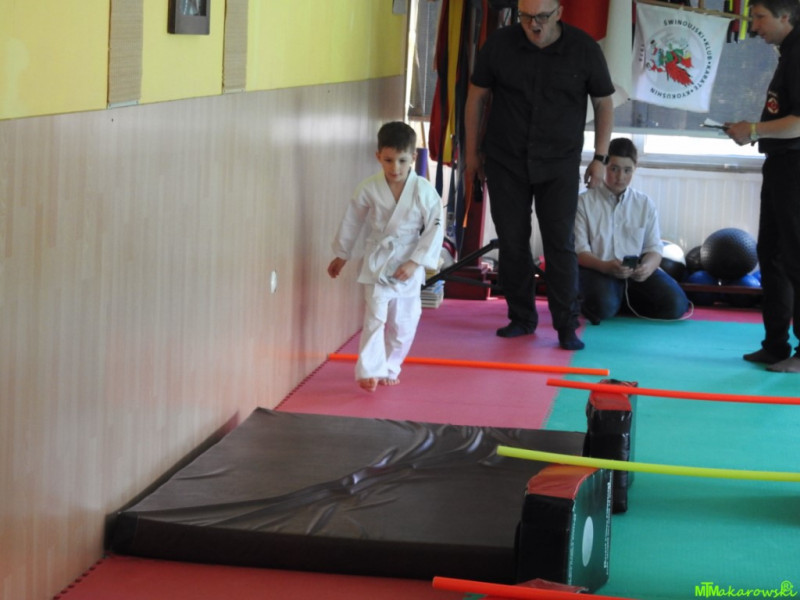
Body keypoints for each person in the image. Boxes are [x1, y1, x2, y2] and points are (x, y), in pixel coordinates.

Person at [464, 0, 615, 351]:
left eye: (542, 17)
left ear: (559, 13)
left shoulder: (584, 48)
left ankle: (566, 325)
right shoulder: (500, 44)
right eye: (526, 17)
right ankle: (521, 318)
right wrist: (471, 154)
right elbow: (476, 98)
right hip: (505, 159)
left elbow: (603, 102)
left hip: (559, 163)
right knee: (512, 241)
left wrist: (600, 157)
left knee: (560, 244)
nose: (534, 24)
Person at [328, 122, 444, 391]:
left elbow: (435, 227)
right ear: (378, 156)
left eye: (402, 160)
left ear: (413, 157)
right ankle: (369, 372)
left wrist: (415, 262)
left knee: (403, 324)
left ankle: (390, 367)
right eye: (388, 160)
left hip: (409, 260)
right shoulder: (369, 188)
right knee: (375, 318)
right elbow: (352, 221)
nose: (395, 168)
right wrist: (342, 254)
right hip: (378, 260)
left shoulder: (424, 190)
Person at [724, 0, 800, 373]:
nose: (754, 26)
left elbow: (799, 122)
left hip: (796, 167)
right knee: (770, 254)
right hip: (780, 163)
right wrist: (753, 131)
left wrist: (753, 130)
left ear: (785, 16)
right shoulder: (787, 54)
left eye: (760, 17)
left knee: (796, 257)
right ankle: (775, 344)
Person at [574, 138, 690, 324]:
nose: (620, 177)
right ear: (604, 166)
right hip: (598, 270)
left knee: (677, 305)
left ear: (635, 169)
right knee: (601, 307)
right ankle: (614, 299)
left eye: (627, 170)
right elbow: (580, 253)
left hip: (635, 274)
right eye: (614, 168)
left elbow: (654, 249)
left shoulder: (644, 204)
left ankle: (619, 299)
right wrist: (606, 266)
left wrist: (648, 267)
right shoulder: (583, 202)